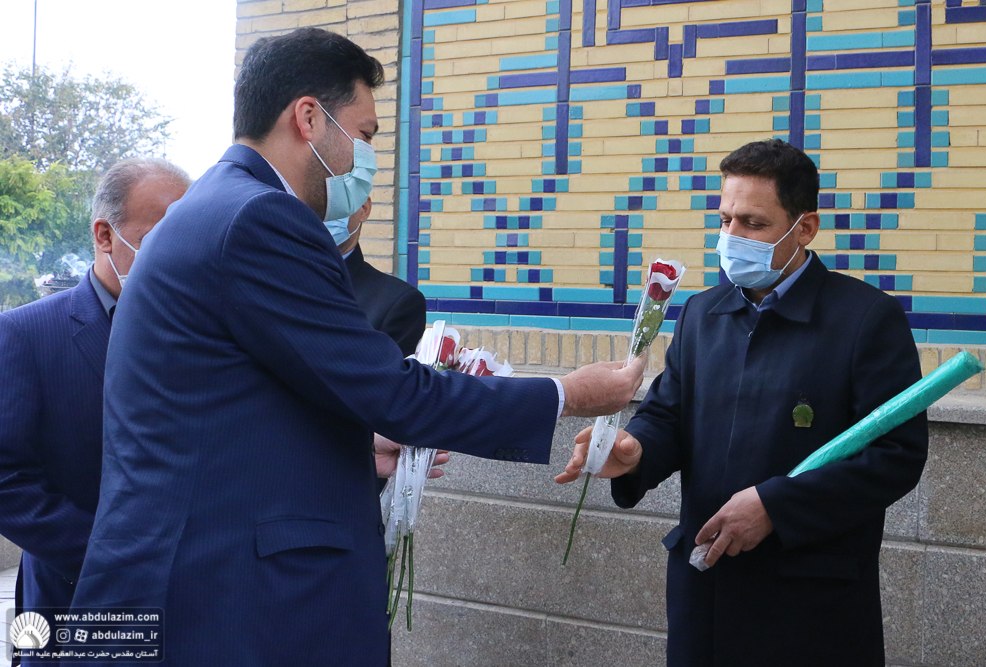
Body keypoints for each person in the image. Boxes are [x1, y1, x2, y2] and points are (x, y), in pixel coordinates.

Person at [69, 27, 645, 667]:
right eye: (365, 135)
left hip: (188, 575)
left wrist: (355, 442)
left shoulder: (209, 207)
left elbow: (233, 404)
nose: (365, 159)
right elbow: (395, 393)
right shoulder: (261, 217)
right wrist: (568, 393)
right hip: (230, 597)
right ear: (309, 118)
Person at [558, 139, 928, 666]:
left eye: (753, 224)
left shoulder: (866, 319)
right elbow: (668, 414)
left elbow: (896, 456)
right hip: (706, 588)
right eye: (725, 220)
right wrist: (635, 450)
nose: (733, 237)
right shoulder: (702, 313)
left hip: (808, 601)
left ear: (805, 228)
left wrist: (776, 507)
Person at [0, 159, 189, 651]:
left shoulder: (204, 334)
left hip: (195, 605)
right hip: (76, 604)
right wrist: (113, 557)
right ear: (105, 235)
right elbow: (6, 479)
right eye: (157, 240)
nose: (176, 257)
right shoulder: (26, 335)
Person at [333, 197, 426, 356]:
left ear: (363, 208)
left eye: (334, 204)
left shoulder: (398, 302)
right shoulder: (287, 283)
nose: (322, 214)